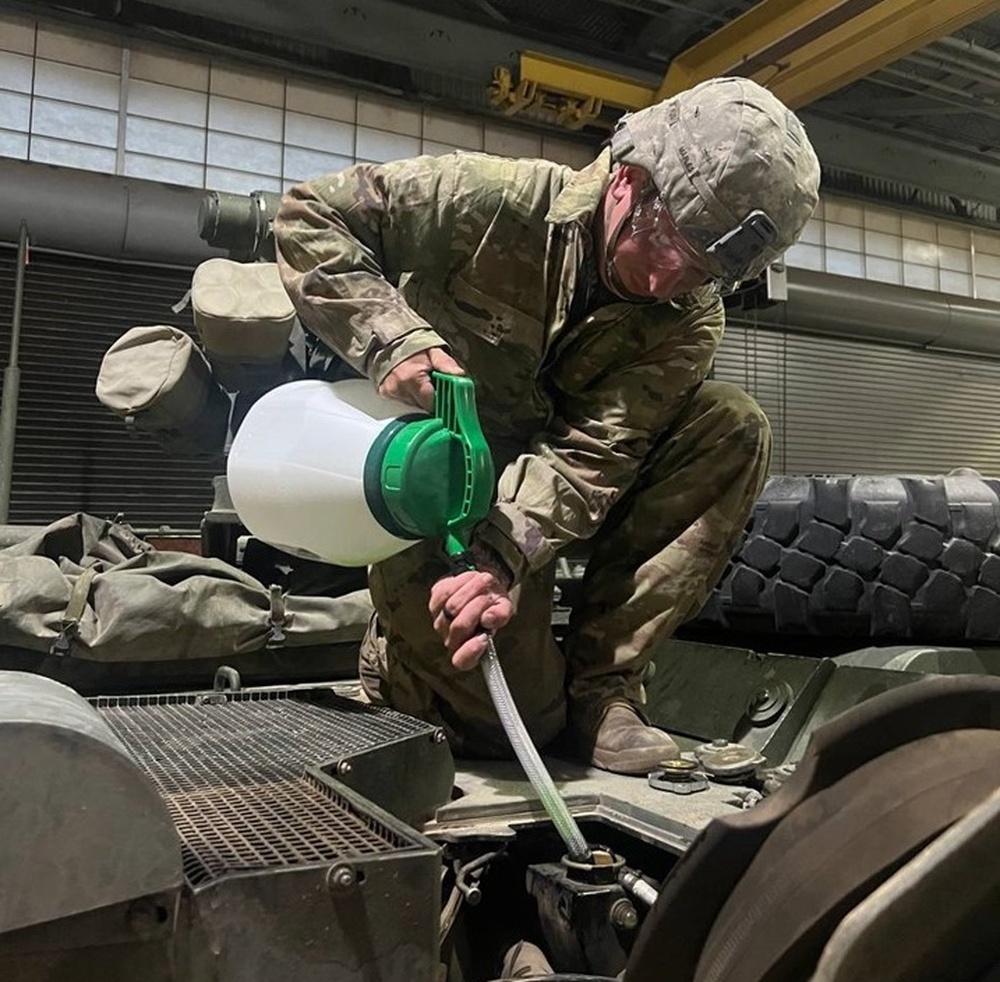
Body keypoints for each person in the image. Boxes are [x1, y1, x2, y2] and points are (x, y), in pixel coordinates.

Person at [273, 76, 820, 773]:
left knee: (732, 424)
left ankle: (605, 689)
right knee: (511, 732)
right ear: (628, 178)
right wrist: (392, 339)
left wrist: (502, 557)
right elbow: (310, 216)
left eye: (698, 271)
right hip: (435, 485)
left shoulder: (688, 319)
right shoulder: (493, 201)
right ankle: (395, 661)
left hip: (538, 505)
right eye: (664, 243)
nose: (663, 283)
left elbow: (594, 452)